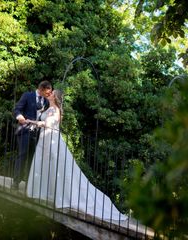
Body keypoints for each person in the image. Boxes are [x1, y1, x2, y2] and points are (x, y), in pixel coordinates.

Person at [26, 90, 127, 221]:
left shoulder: (56, 110)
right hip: (44, 140)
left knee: (59, 168)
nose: (49, 94)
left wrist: (33, 122)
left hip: (53, 141)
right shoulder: (48, 108)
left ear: (55, 97)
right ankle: (46, 193)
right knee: (46, 166)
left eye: (52, 93)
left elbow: (48, 124)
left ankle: (63, 196)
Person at [13, 80, 53, 189]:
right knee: (22, 155)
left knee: (32, 159)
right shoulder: (27, 96)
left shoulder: (46, 102)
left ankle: (28, 185)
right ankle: (16, 182)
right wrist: (19, 117)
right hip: (24, 130)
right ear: (41, 89)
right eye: (47, 93)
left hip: (37, 134)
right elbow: (17, 109)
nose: (49, 95)